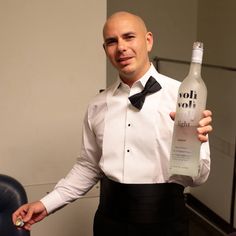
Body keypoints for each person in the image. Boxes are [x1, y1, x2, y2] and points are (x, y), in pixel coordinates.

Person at [12, 11, 213, 236]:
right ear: (105, 50)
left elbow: (199, 178)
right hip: (109, 223)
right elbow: (88, 166)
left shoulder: (183, 95)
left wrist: (194, 147)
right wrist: (46, 204)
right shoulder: (97, 105)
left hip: (166, 223)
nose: (121, 47)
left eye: (129, 37)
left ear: (148, 41)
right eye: (112, 41)